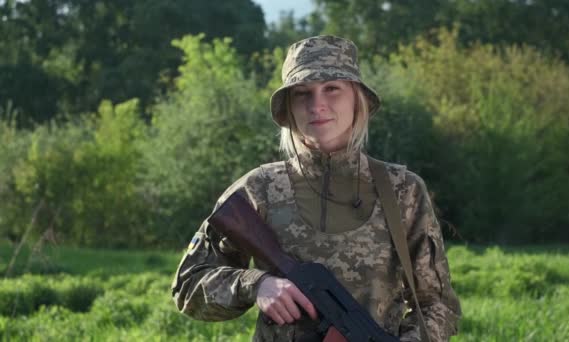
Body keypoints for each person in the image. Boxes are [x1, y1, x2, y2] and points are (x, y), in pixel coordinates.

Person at [172, 35, 461, 341]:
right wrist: (256, 284)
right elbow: (188, 287)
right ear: (289, 108)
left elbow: (437, 304)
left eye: (332, 89)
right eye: (302, 93)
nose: (317, 105)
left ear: (356, 99)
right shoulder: (259, 189)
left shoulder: (403, 191)